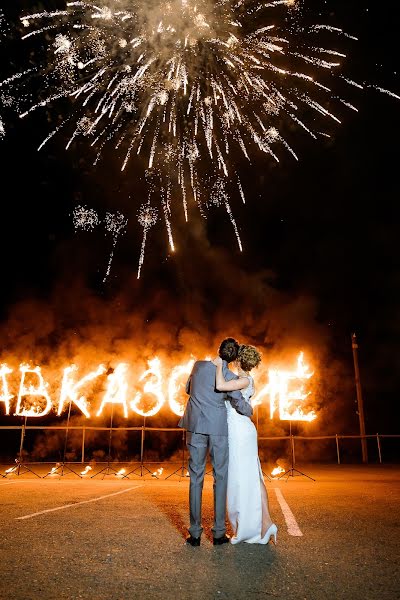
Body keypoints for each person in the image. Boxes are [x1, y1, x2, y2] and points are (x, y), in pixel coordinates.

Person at [179, 337, 253, 546]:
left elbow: (187, 388)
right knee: (220, 478)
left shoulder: (197, 366)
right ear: (233, 358)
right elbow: (240, 404)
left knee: (196, 478)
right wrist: (250, 409)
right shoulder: (229, 377)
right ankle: (218, 532)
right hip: (218, 429)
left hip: (195, 426)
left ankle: (194, 533)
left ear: (218, 349)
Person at [214, 344, 277, 545]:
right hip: (244, 430)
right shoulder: (248, 380)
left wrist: (217, 366)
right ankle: (266, 523)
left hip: (239, 432)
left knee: (242, 479)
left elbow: (221, 386)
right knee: (253, 476)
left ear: (239, 361)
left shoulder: (243, 380)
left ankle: (253, 526)